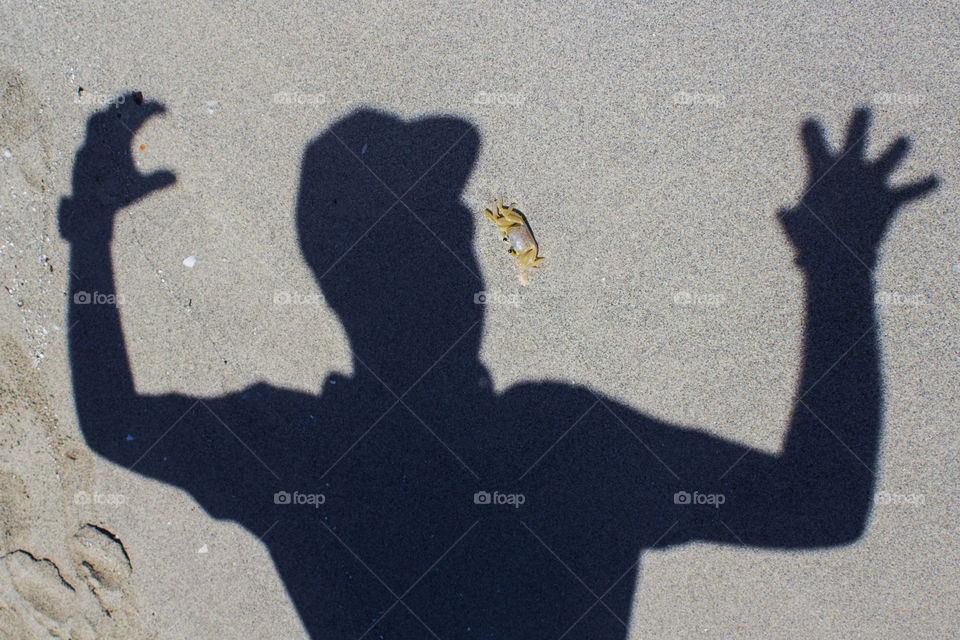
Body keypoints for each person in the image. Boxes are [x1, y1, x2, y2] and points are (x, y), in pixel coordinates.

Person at [60, 98, 937, 638]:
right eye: (442, 242)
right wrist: (838, 270)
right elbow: (821, 503)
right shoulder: (567, 446)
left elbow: (113, 421)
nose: (464, 260)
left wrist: (92, 235)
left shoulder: (294, 450)